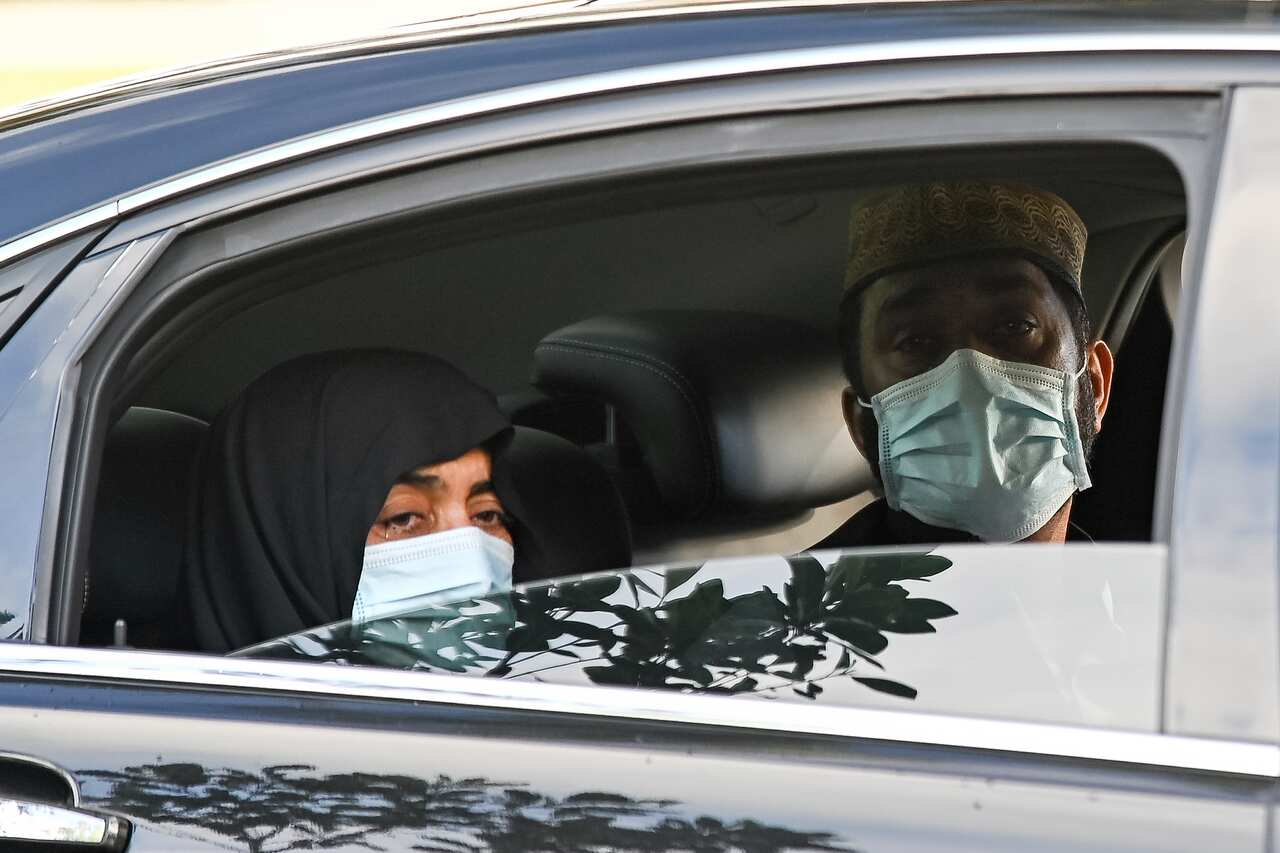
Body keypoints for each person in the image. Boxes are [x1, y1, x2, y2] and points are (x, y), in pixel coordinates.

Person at [182, 349, 629, 652]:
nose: (471, 560)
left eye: (488, 514)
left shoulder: (573, 714)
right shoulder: (196, 771)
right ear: (284, 542)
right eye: (405, 518)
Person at [821, 181, 1114, 548]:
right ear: (862, 429)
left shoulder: (1160, 595)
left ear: (1097, 385)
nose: (972, 386)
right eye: (914, 342)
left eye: (1015, 326)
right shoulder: (799, 604)